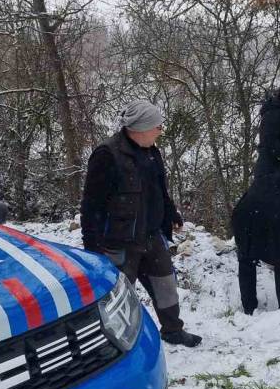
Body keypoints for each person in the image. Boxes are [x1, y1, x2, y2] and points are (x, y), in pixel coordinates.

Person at [80, 100, 202, 347]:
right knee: (118, 296)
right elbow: (91, 204)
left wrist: (171, 213)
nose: (161, 131)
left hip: (152, 234)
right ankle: (112, 342)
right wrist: (92, 247)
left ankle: (173, 330)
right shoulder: (107, 154)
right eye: (157, 126)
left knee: (166, 285)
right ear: (141, 128)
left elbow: (159, 190)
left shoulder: (151, 151)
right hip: (120, 240)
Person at [232, 159, 280, 315]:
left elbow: (243, 203)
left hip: (244, 220)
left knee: (247, 261)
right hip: (277, 224)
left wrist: (240, 237)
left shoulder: (262, 180)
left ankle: (248, 307)